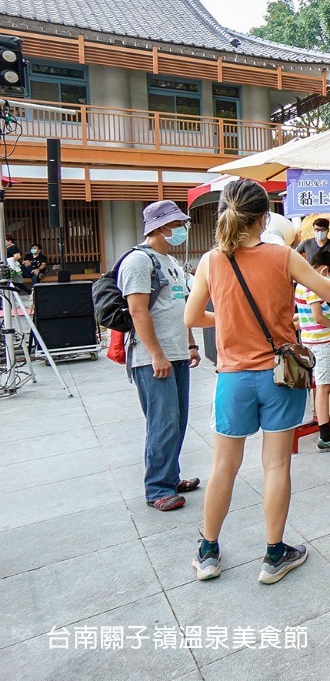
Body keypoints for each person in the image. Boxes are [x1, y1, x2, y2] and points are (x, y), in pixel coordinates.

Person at [185, 179, 330, 584]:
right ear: (265, 217)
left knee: (224, 466)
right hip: (279, 376)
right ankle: (274, 555)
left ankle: (207, 552)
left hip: (232, 378)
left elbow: (191, 317)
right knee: (276, 466)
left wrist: (228, 319)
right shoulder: (283, 255)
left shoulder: (210, 261)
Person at [118, 201, 202, 512]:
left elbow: (182, 307)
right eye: (176, 223)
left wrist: (191, 344)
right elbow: (137, 310)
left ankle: (169, 476)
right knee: (163, 423)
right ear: (160, 227)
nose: (181, 229)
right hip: (153, 358)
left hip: (177, 353)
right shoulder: (139, 262)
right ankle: (157, 489)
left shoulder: (170, 262)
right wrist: (156, 355)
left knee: (177, 421)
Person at [294, 249, 330, 451]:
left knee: (319, 386)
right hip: (320, 343)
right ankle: (326, 435)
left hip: (309, 340)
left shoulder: (300, 284)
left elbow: (305, 315)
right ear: (324, 270)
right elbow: (318, 317)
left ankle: (323, 427)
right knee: (324, 388)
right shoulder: (314, 286)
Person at [297, 217, 330, 284]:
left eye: (322, 230)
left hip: (328, 279)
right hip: (310, 278)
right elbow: (293, 255)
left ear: (327, 230)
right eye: (317, 230)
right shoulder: (306, 243)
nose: (319, 232)